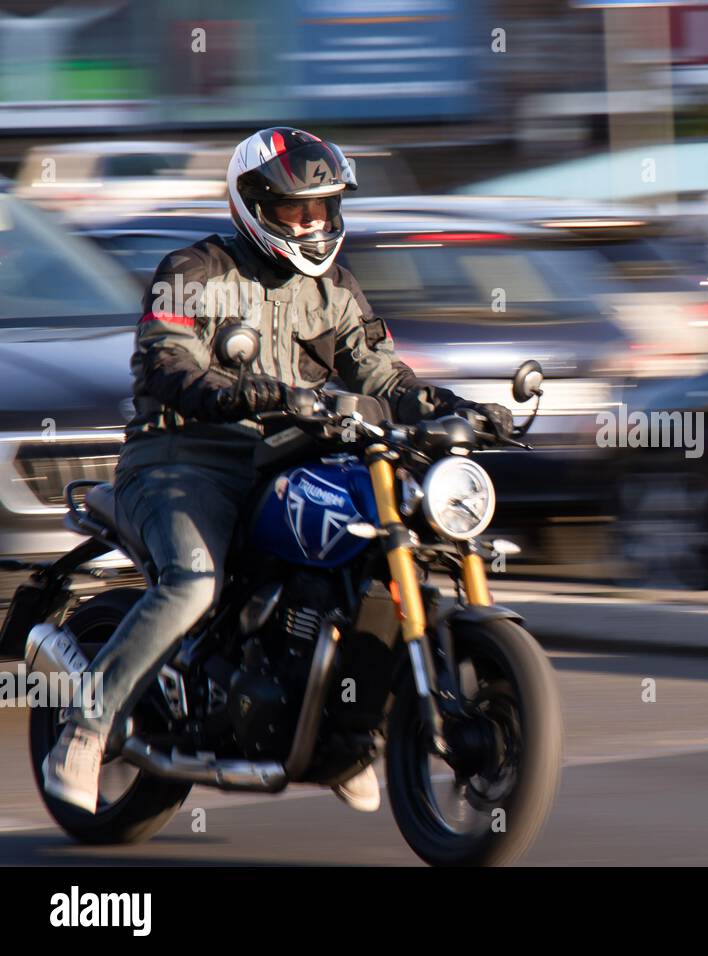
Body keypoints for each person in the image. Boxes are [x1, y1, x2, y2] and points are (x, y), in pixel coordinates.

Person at [41, 127, 513, 815]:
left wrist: (460, 408)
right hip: (182, 457)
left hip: (293, 454)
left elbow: (383, 374)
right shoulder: (192, 271)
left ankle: (343, 733)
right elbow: (164, 364)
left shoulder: (340, 291)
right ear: (256, 207)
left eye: (324, 210)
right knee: (193, 585)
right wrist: (253, 394)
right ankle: (84, 732)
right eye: (299, 211)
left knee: (372, 553)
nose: (315, 224)